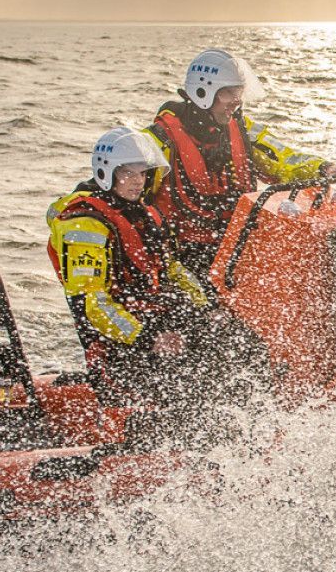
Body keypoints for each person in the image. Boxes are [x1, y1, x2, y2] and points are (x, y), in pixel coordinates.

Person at [45, 127, 241, 446]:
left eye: (142, 173)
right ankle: (177, 439)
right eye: (128, 173)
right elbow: (92, 305)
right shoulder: (84, 225)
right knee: (188, 373)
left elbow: (172, 269)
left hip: (151, 324)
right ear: (107, 172)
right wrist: (150, 338)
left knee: (231, 340)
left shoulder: (144, 214)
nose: (137, 181)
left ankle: (237, 426)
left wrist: (209, 308)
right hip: (117, 345)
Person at [146, 47, 336, 283]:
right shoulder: (159, 141)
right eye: (229, 93)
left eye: (239, 93)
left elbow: (282, 159)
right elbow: (129, 200)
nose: (236, 101)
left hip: (236, 244)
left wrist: (323, 168)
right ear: (203, 92)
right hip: (184, 254)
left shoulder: (242, 129)